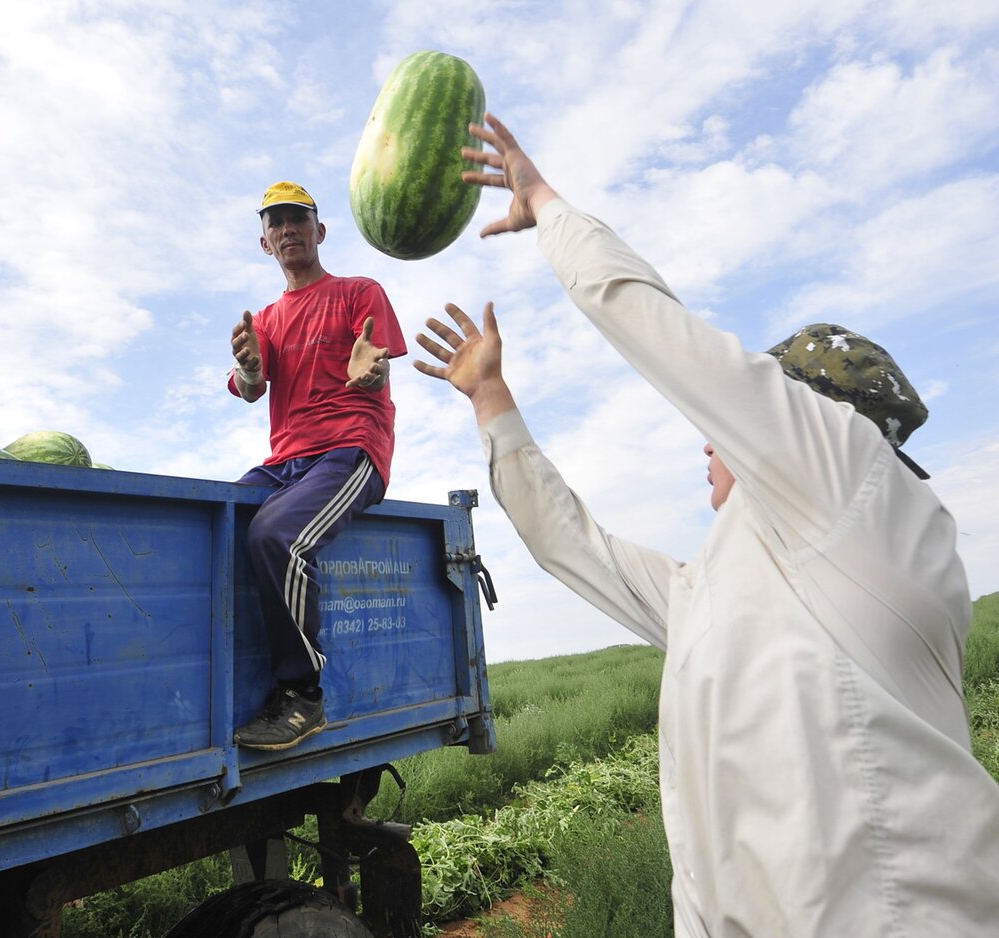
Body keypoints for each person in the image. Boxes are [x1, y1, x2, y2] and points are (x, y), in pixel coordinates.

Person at [414, 114, 999, 936]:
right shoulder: (728, 581)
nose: (709, 435)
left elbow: (657, 327)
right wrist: (490, 401)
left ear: (807, 427)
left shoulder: (858, 489)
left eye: (743, 417)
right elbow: (572, 547)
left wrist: (545, 201)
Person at [228, 181, 407, 751]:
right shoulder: (268, 320)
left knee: (277, 535)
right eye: (276, 223)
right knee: (215, 520)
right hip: (286, 461)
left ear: (319, 231)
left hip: (350, 449)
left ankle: (303, 695)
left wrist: (372, 373)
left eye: (298, 219)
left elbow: (376, 366)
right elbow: (252, 389)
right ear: (265, 243)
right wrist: (253, 370)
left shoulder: (359, 292)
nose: (288, 230)